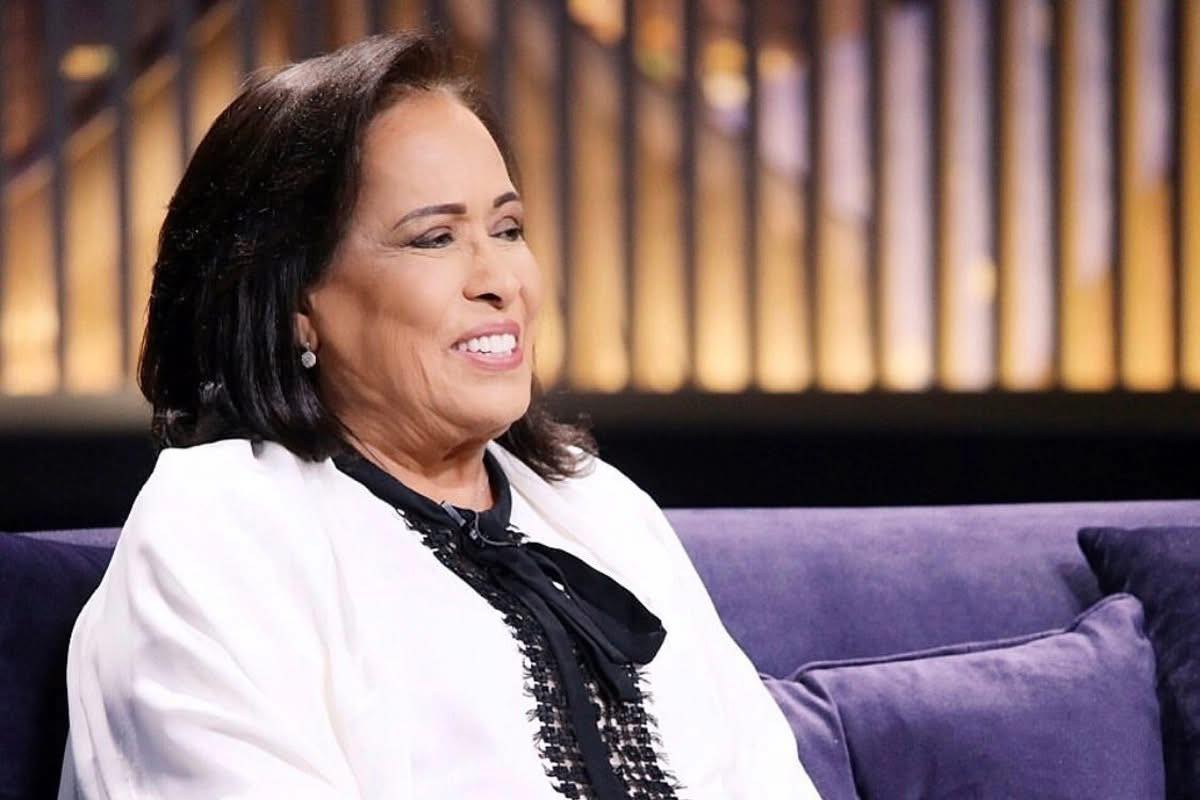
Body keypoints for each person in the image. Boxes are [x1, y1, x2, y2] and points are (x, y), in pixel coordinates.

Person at [58, 32, 819, 800]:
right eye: (435, 238)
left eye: (508, 229)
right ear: (296, 304)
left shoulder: (601, 508)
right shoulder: (225, 527)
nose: (500, 280)